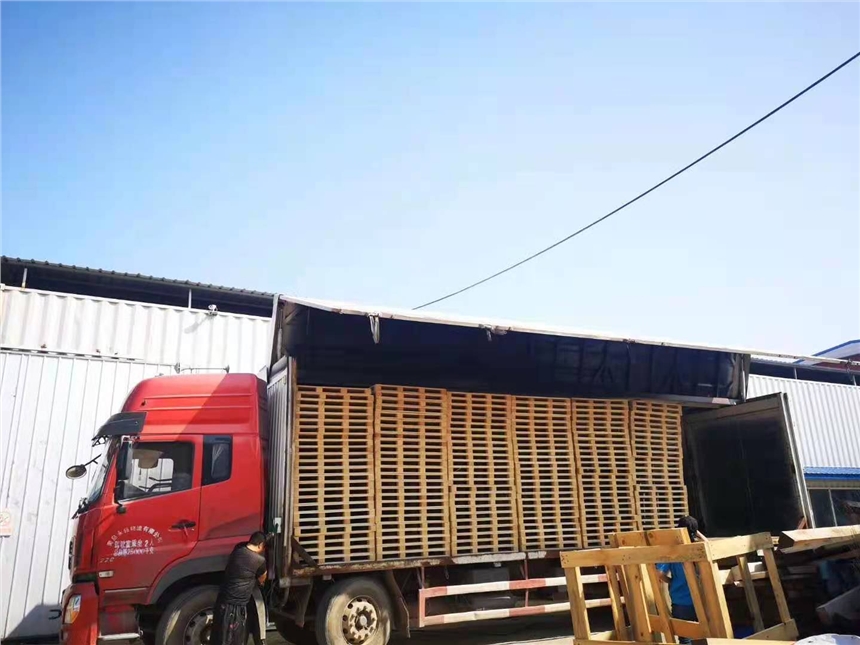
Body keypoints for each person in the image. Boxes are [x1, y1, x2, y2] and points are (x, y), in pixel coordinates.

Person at [211, 531, 268, 645]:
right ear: (260, 545)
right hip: (236, 609)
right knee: (234, 640)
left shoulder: (237, 549)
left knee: (218, 637)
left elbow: (244, 544)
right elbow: (262, 578)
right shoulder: (259, 560)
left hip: (222, 603)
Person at [657, 516, 704, 645]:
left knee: (684, 639)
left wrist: (671, 581)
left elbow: (659, 573)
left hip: (680, 602)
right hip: (700, 600)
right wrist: (697, 533)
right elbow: (711, 547)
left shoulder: (671, 550)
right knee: (702, 637)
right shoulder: (698, 548)